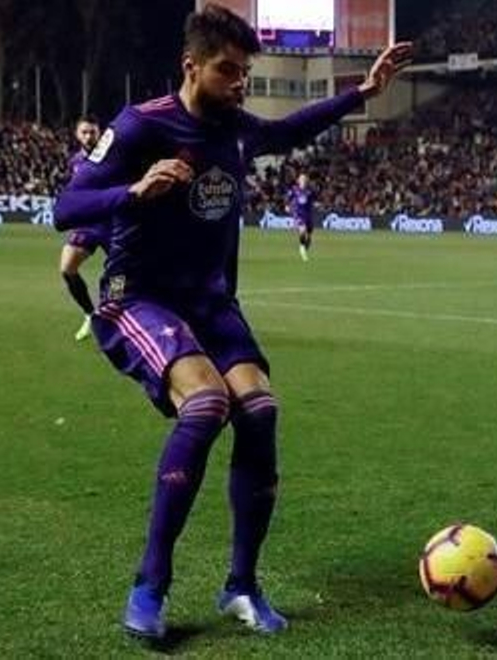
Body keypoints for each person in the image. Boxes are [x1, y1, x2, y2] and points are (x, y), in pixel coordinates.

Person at [52, 5, 413, 641]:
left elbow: (291, 130)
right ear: (190, 66)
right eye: (228, 71)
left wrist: (363, 91)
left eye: (246, 72)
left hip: (212, 303)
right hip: (138, 297)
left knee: (260, 409)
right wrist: (131, 192)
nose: (240, 83)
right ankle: (150, 586)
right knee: (207, 403)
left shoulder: (235, 129)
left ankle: (241, 586)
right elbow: (67, 206)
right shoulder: (140, 127)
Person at [59, 116, 106, 341]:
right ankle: (90, 315)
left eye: (92, 132)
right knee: (67, 268)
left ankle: (115, 316)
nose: (88, 136)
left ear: (100, 133)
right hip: (88, 224)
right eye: (84, 132)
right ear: (77, 135)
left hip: (114, 223)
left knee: (121, 277)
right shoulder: (75, 161)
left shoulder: (112, 155)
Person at [288, 172, 317, 262]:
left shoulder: (310, 191)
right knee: (302, 229)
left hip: (308, 214)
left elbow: (314, 200)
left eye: (304, 179)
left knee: (309, 234)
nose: (303, 181)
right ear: (298, 181)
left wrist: (316, 204)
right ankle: (301, 248)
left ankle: (305, 245)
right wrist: (287, 206)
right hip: (298, 214)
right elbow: (288, 197)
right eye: (301, 179)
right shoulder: (294, 189)